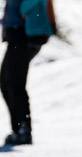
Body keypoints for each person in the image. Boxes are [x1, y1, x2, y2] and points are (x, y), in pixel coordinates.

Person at [1, 0, 55, 146]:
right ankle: (19, 128)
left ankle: (23, 130)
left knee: (14, 83)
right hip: (16, 34)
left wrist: (24, 9)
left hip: (24, 34)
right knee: (6, 83)